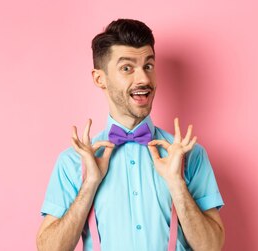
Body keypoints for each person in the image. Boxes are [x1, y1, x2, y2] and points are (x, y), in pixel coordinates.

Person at [35, 19, 225, 251]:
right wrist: (90, 183)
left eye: (148, 66)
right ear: (99, 79)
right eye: (127, 68)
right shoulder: (74, 161)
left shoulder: (189, 154)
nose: (144, 79)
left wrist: (177, 184)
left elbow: (212, 247)